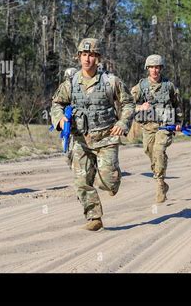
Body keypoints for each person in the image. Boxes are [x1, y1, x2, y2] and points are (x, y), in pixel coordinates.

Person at [50, 38, 135, 231]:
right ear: (79, 56)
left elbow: (128, 103)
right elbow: (57, 104)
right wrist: (60, 118)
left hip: (106, 138)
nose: (87, 59)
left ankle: (112, 177)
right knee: (81, 181)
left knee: (108, 183)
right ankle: (94, 217)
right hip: (81, 139)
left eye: (92, 55)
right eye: (84, 55)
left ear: (98, 58)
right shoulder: (70, 83)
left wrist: (123, 122)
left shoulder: (110, 81)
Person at [131, 55, 183, 203]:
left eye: (157, 67)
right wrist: (140, 107)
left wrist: (179, 121)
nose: (155, 70)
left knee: (159, 150)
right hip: (148, 127)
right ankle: (161, 176)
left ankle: (160, 184)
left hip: (165, 126)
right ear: (147, 69)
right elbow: (126, 104)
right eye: (152, 67)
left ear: (161, 68)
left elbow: (177, 105)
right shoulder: (141, 87)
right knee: (150, 151)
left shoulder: (169, 86)